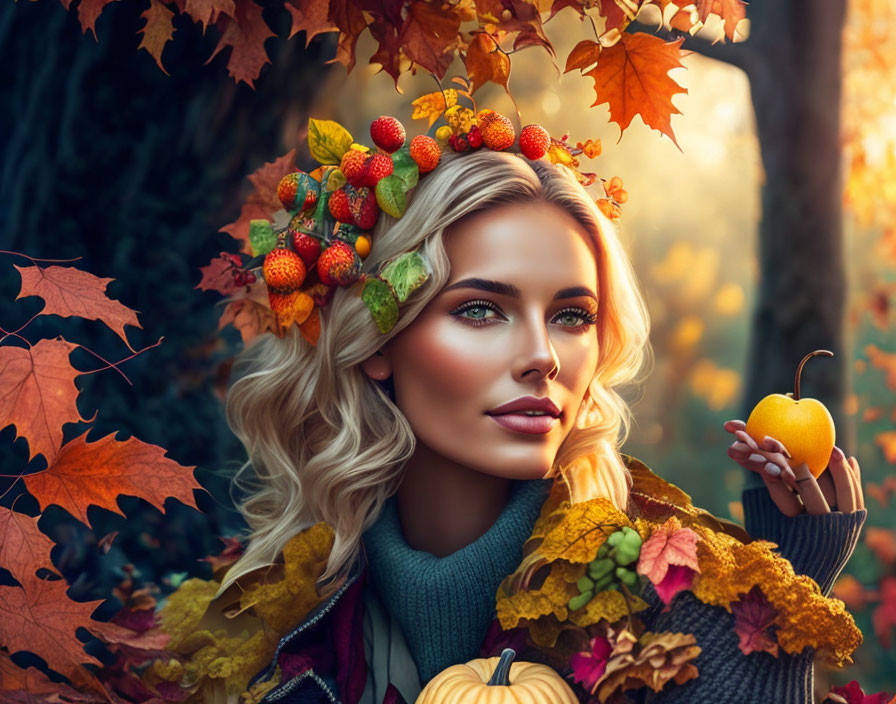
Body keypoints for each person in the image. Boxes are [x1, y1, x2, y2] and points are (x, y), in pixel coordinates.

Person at [207, 140, 866, 704]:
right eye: (481, 311)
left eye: (571, 317)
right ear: (378, 341)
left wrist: (782, 607)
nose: (542, 357)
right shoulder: (271, 617)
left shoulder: (660, 591)